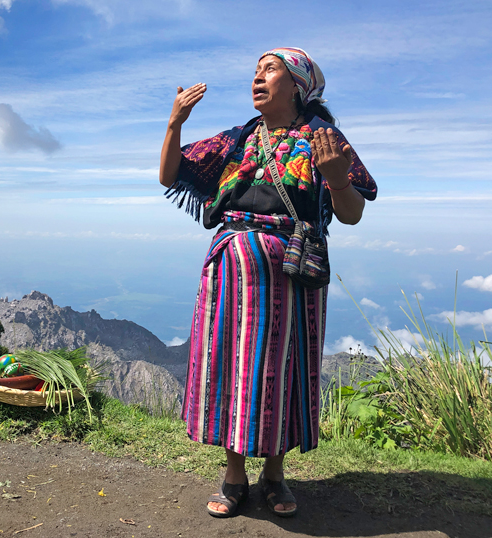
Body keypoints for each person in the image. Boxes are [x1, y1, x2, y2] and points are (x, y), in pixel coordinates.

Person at [159, 48, 377, 518]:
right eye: (256, 70)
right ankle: (233, 476)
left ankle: (275, 475)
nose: (258, 77)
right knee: (231, 368)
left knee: (283, 370)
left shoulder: (323, 138)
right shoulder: (238, 139)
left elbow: (352, 213)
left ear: (298, 85)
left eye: (270, 69)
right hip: (230, 272)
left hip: (293, 273)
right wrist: (176, 122)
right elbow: (169, 173)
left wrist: (338, 180)